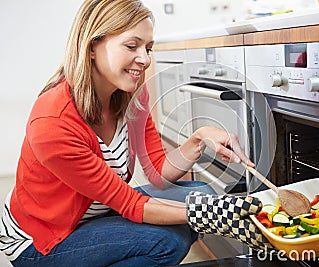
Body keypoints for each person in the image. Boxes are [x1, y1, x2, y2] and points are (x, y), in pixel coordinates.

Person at [0, 1, 268, 266]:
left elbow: (158, 170)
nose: (145, 59)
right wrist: (209, 214)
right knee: (166, 242)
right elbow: (131, 204)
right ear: (92, 46)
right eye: (132, 46)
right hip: (44, 239)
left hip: (96, 211)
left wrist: (199, 139)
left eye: (148, 48)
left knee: (199, 193)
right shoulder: (54, 122)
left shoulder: (130, 94)